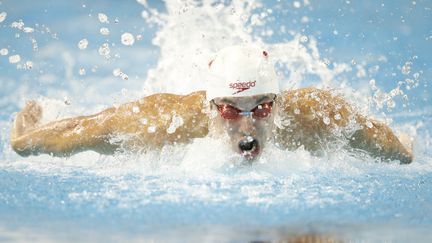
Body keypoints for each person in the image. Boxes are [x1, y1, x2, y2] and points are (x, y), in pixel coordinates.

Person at [10, 45, 413, 164]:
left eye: (261, 108)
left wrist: (406, 152)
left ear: (278, 102)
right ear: (211, 107)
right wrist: (24, 138)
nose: (247, 124)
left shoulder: (320, 117)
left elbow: (390, 146)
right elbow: (81, 132)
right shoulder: (164, 121)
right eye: (230, 110)